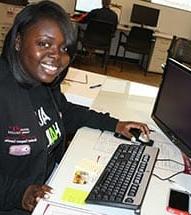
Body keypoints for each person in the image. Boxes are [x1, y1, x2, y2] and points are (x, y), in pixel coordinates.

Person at [0, 1, 150, 214]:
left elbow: (65, 112)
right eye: (44, 44)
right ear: (17, 41)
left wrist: (115, 124)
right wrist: (20, 193)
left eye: (64, 48)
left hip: (50, 188)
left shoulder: (43, 84)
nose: (57, 57)